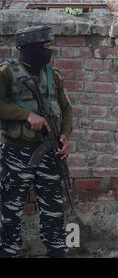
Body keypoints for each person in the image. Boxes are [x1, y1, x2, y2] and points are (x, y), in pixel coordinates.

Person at [0, 26, 73, 258]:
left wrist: (65, 136)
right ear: (29, 48)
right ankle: (8, 250)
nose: (48, 51)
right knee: (10, 209)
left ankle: (56, 251)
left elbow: (67, 109)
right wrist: (25, 115)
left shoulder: (54, 75)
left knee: (54, 212)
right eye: (45, 47)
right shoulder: (6, 73)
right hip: (16, 152)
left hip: (50, 153)